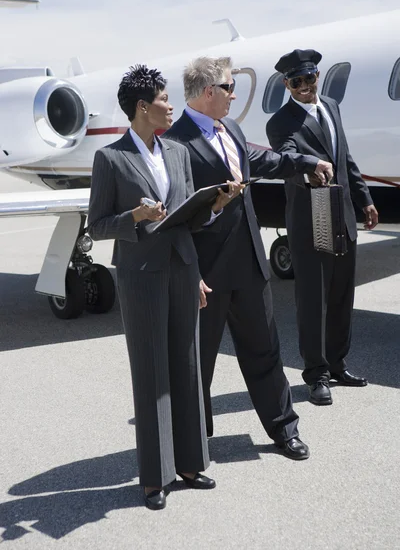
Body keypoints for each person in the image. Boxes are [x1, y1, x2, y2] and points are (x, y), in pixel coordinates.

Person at [163, 56, 333, 460]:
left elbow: (261, 160)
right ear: (208, 92)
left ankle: (283, 429)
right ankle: (193, 443)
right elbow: (175, 214)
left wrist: (305, 163)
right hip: (205, 273)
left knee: (265, 351)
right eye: (228, 87)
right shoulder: (175, 142)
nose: (234, 94)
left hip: (249, 265)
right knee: (197, 364)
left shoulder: (231, 128)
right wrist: (216, 208)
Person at [88, 65, 241, 510]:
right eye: (163, 98)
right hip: (141, 276)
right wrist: (134, 218)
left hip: (182, 268)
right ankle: (154, 478)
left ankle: (191, 464)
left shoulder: (176, 152)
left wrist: (216, 205)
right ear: (142, 107)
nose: (171, 105)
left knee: (187, 368)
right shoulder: (111, 158)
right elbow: (97, 226)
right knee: (153, 372)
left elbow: (190, 219)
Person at [266, 48, 379, 406]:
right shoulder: (280, 122)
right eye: (295, 82)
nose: (303, 86)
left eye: (309, 78)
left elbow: (345, 158)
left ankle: (337, 364)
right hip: (310, 219)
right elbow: (285, 160)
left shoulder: (331, 106)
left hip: (342, 214)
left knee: (342, 296)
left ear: (318, 76)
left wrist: (365, 200)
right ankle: (315, 375)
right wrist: (310, 164)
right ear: (287, 85)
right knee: (313, 301)